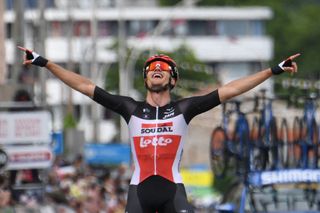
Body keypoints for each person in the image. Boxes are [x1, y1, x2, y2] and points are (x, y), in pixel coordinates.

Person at [18, 46, 299, 213]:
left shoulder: (185, 109)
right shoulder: (129, 108)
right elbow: (84, 86)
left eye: (163, 68)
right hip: (138, 191)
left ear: (172, 80)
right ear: (146, 78)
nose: (157, 69)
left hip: (173, 189)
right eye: (152, 67)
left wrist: (273, 70)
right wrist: (46, 62)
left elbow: (231, 89)